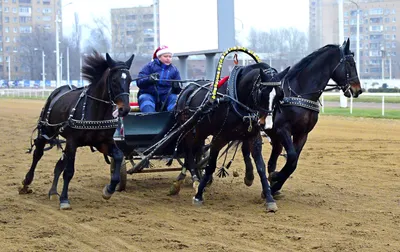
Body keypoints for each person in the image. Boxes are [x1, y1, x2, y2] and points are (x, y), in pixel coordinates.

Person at [137, 45, 182, 112]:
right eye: (165, 56)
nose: (168, 58)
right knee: (145, 98)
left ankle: (172, 118)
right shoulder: (149, 66)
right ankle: (150, 118)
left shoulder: (174, 70)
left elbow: (178, 89)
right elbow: (139, 81)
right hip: (149, 94)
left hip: (166, 96)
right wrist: (149, 80)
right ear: (159, 57)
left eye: (170, 57)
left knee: (174, 98)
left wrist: (177, 87)